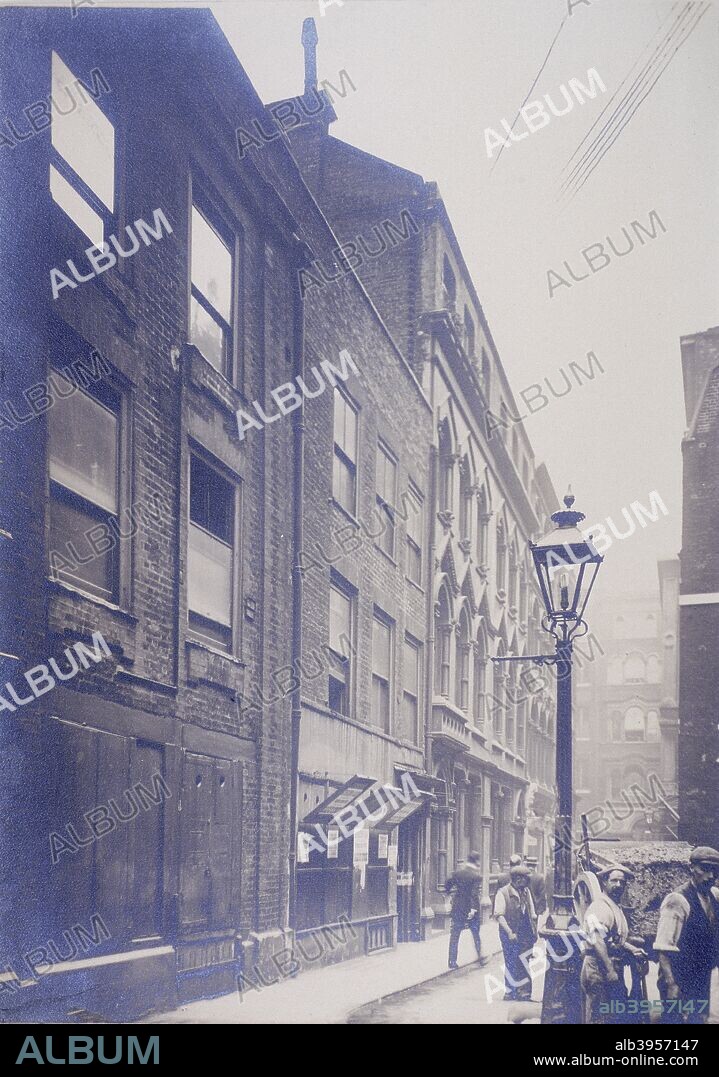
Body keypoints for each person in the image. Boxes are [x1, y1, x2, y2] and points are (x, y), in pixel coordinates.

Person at [654, 845, 719, 1024]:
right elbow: (663, 948)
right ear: (691, 868)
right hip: (678, 976)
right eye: (704, 870)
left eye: (715, 871)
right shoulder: (677, 900)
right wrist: (671, 985)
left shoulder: (714, 896)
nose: (711, 876)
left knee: (699, 1019)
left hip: (700, 976)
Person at [581, 866, 646, 1025]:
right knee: (600, 1017)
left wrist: (633, 949)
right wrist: (610, 970)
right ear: (604, 882)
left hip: (609, 966)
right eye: (614, 881)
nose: (618, 885)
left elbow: (613, 938)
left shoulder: (615, 907)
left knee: (613, 1015)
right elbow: (597, 939)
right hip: (598, 967)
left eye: (622, 882)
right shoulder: (600, 906)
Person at [494, 864, 537, 1000]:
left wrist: (534, 930)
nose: (527, 882)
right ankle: (509, 992)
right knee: (511, 961)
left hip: (524, 933)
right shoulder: (503, 893)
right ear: (518, 879)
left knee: (524, 962)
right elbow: (499, 916)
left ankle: (524, 992)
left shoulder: (526, 891)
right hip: (509, 933)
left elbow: (532, 912)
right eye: (525, 879)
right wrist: (509, 932)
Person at [445, 851, 489, 970]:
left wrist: (449, 895)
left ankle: (452, 961)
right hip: (471, 910)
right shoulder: (476, 876)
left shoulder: (457, 873)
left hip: (458, 908)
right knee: (475, 934)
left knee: (455, 935)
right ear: (477, 862)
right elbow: (474, 894)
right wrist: (473, 909)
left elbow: (447, 885)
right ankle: (480, 958)